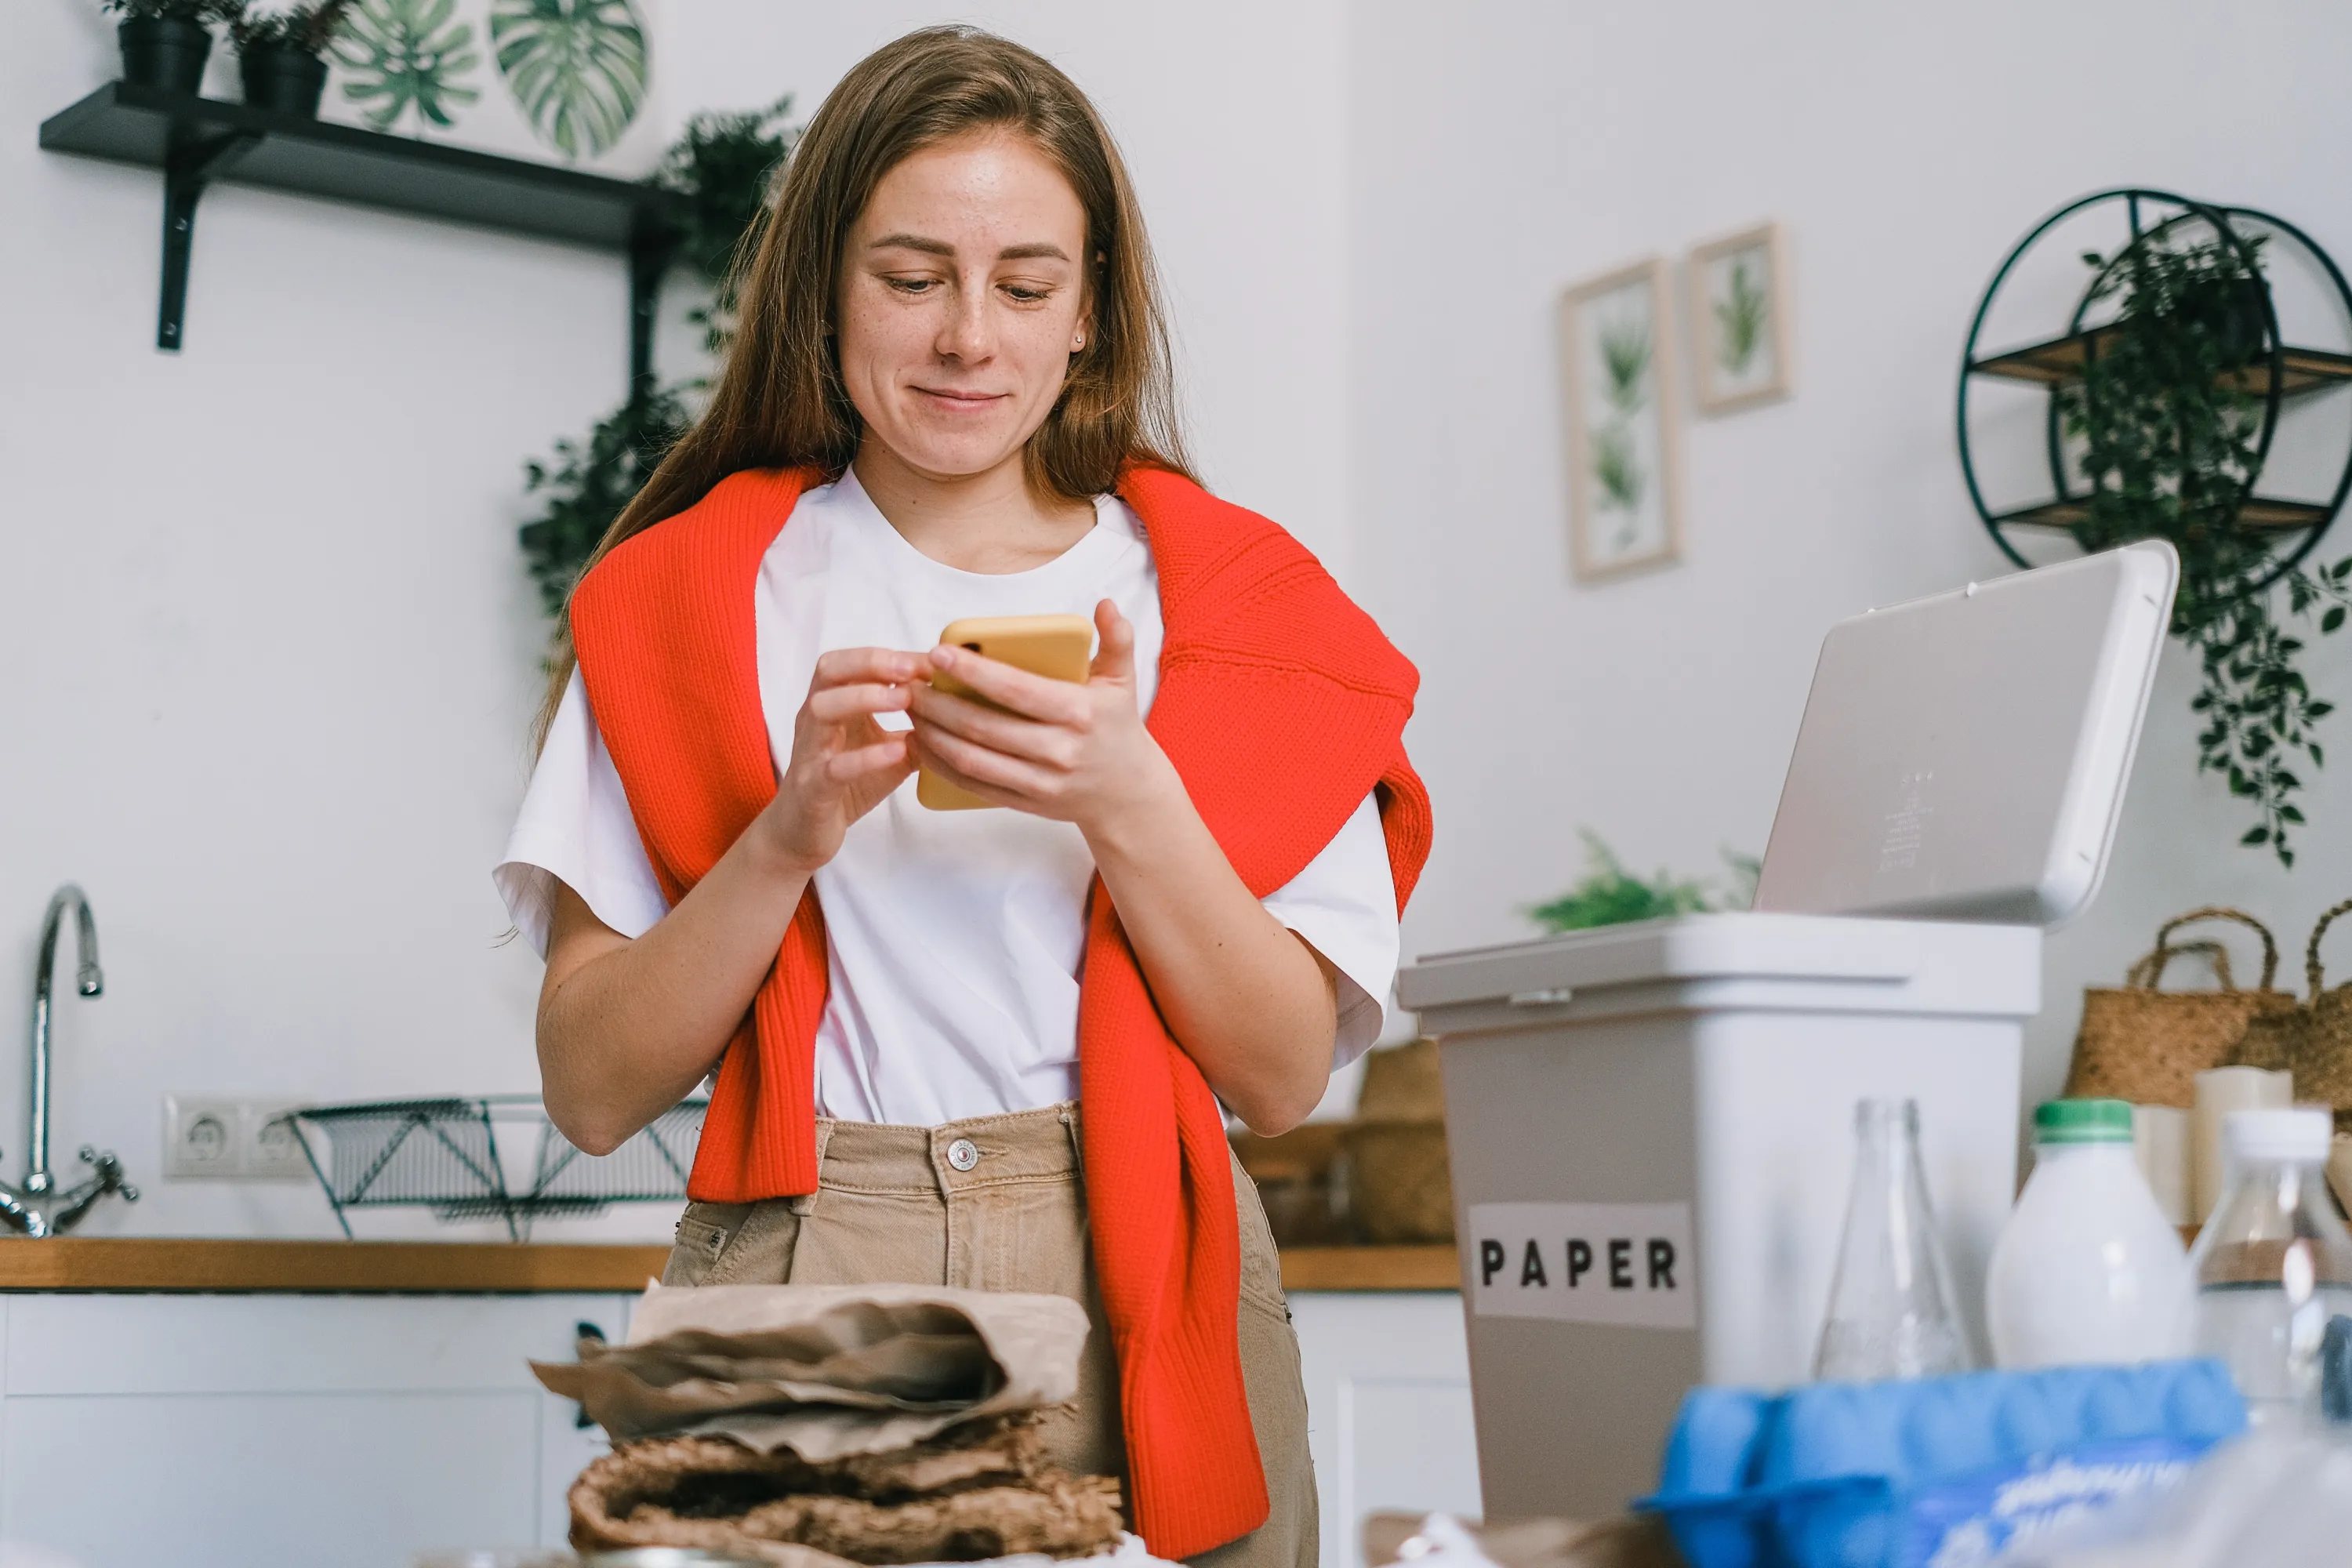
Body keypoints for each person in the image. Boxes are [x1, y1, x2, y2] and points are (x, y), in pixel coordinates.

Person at [494, 26, 1430, 1568]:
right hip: (809, 1251)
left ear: (1090, 317)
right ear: (826, 291)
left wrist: (1131, 801)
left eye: (1025, 283)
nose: (967, 337)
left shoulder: (1245, 615)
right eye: (911, 276)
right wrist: (787, 834)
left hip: (1147, 1268)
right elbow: (592, 1090)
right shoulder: (685, 602)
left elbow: (1274, 1078)